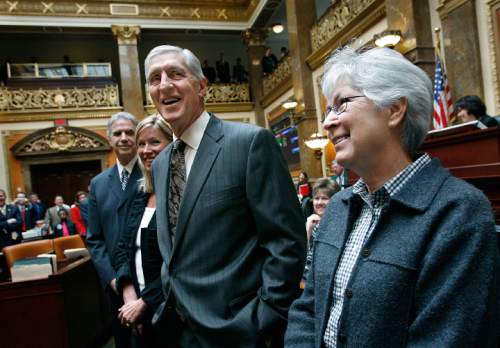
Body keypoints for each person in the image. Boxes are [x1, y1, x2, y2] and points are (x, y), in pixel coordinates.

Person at [285, 46, 499, 347]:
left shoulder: (459, 212)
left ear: (395, 109)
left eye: (341, 104)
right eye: (328, 110)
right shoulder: (337, 208)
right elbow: (308, 310)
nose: (327, 123)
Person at [145, 44, 306, 347]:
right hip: (180, 329)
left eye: (176, 74)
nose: (165, 84)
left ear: (202, 85)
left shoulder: (249, 143)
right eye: (155, 79)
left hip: (240, 330)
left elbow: (286, 241)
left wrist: (263, 317)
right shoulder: (162, 162)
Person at [114, 114, 173, 347]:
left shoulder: (183, 193)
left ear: (173, 143)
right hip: (139, 311)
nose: (146, 150)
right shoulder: (141, 194)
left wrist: (145, 302)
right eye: (141, 144)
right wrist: (130, 297)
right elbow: (122, 248)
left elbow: (182, 261)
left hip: (170, 311)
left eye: (155, 142)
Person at [87, 111, 142, 348]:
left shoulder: (152, 172)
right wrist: (112, 278)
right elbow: (95, 239)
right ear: (109, 139)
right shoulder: (98, 183)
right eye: (117, 133)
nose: (123, 138)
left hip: (147, 280)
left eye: (129, 132)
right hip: (115, 285)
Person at [302, 179, 339, 282]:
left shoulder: (337, 224)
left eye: (324, 198)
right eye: (316, 198)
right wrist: (308, 230)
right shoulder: (313, 222)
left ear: (335, 200)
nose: (319, 202)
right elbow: (304, 257)